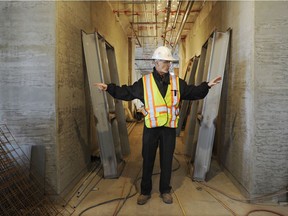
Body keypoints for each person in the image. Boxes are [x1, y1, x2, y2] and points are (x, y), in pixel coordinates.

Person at [95, 46, 221, 205]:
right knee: (148, 159)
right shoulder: (145, 82)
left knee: (167, 160)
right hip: (151, 129)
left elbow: (192, 92)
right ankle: (145, 191)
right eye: (164, 61)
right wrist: (109, 88)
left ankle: (165, 190)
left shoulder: (177, 82)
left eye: (169, 62)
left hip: (168, 129)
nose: (167, 65)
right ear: (155, 62)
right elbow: (127, 92)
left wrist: (207, 86)